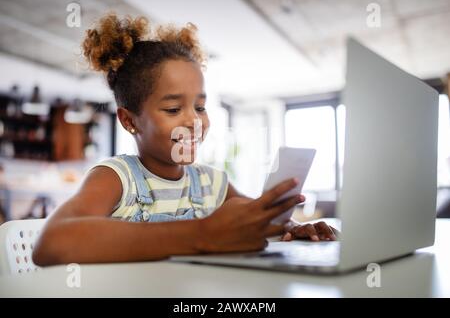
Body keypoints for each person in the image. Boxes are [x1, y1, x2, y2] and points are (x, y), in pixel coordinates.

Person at [32, 14, 337, 266]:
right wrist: (201, 234)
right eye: (174, 109)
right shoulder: (116, 178)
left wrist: (292, 227)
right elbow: (51, 244)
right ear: (129, 121)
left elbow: (256, 223)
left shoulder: (211, 184)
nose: (194, 121)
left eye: (200, 107)